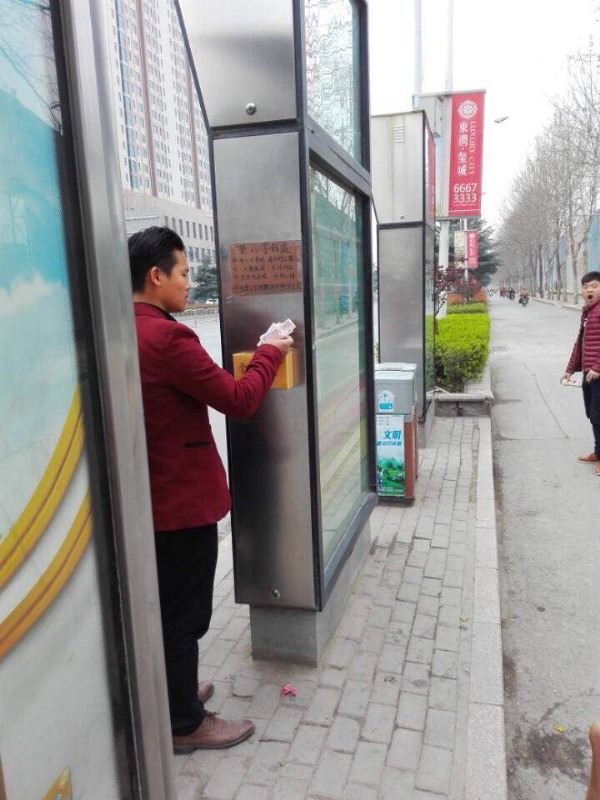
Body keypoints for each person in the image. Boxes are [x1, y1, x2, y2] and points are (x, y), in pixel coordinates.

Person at [129, 226, 293, 752]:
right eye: (182, 272)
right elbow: (239, 399)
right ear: (155, 276)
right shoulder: (169, 339)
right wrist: (269, 351)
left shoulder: (121, 329)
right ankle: (185, 723)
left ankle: (173, 693)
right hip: (182, 505)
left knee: (164, 609)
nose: (187, 282)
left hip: (145, 501)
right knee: (186, 617)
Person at [562, 271, 600, 475]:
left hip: (596, 373)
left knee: (598, 415)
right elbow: (580, 343)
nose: (589, 290)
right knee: (593, 415)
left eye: (594, 286)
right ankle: (598, 452)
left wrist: (597, 368)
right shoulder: (588, 312)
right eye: (586, 287)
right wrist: (570, 369)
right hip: (589, 373)